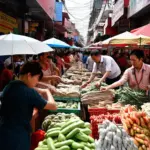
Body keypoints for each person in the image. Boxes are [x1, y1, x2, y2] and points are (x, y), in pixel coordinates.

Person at [0, 62, 57, 150]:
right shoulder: (30, 92)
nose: (37, 81)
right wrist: (47, 91)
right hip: (19, 139)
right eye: (37, 77)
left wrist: (39, 89)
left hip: (4, 135)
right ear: (29, 75)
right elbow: (53, 106)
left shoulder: (9, 86)